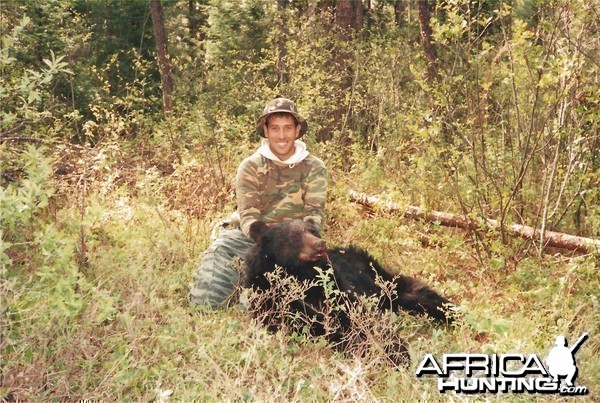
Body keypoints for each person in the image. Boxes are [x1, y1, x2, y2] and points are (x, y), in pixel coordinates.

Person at [189, 97, 328, 308]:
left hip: (295, 245)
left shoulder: (314, 167)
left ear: (297, 130)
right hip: (252, 240)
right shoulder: (250, 166)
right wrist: (269, 249)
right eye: (275, 128)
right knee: (205, 301)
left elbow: (314, 215)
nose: (281, 136)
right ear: (266, 130)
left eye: (288, 128)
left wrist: (293, 247)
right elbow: (248, 217)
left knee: (280, 306)